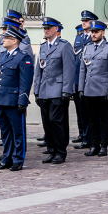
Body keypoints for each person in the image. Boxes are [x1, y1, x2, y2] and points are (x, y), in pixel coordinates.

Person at [0, 25, 34, 172]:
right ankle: (6, 158)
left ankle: (18, 159)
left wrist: (22, 100)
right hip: (1, 99)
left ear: (14, 41)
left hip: (14, 101)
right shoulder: (2, 56)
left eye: (6, 38)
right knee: (5, 133)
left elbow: (25, 82)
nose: (2, 39)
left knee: (17, 132)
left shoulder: (23, 57)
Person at [35, 17, 76, 164]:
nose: (46, 30)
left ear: (56, 29)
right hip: (45, 90)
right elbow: (39, 69)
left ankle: (60, 151)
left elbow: (69, 70)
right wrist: (37, 89)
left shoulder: (64, 46)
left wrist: (67, 91)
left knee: (56, 121)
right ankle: (51, 150)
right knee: (47, 121)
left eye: (48, 28)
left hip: (58, 90)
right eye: (44, 28)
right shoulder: (43, 46)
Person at [78, 20, 108, 156]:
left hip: (103, 89)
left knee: (104, 119)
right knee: (92, 119)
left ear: (103, 32)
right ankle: (94, 145)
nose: (93, 34)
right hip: (89, 89)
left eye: (96, 32)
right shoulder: (87, 48)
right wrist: (81, 88)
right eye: (92, 32)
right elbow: (82, 70)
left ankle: (104, 145)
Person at [72, 11, 97, 148]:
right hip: (77, 79)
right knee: (79, 110)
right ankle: (82, 134)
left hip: (89, 81)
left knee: (88, 112)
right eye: (83, 20)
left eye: (87, 20)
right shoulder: (79, 38)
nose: (84, 22)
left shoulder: (93, 39)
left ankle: (89, 137)